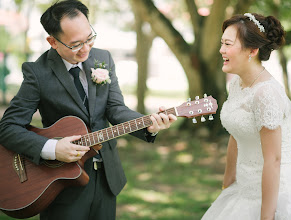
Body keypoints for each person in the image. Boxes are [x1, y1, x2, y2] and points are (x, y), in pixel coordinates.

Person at [0, 0, 177, 219]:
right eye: (75, 44)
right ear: (52, 41)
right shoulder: (38, 73)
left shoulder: (103, 58)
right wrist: (52, 148)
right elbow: (7, 128)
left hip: (107, 179)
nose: (86, 48)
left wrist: (149, 124)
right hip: (61, 183)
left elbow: (115, 109)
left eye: (89, 38)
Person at [201, 13, 291, 220]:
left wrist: (266, 217)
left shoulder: (266, 93)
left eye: (227, 44)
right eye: (221, 43)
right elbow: (236, 134)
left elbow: (273, 160)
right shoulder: (237, 84)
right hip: (242, 192)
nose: (221, 50)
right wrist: (227, 185)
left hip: (276, 196)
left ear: (252, 50)